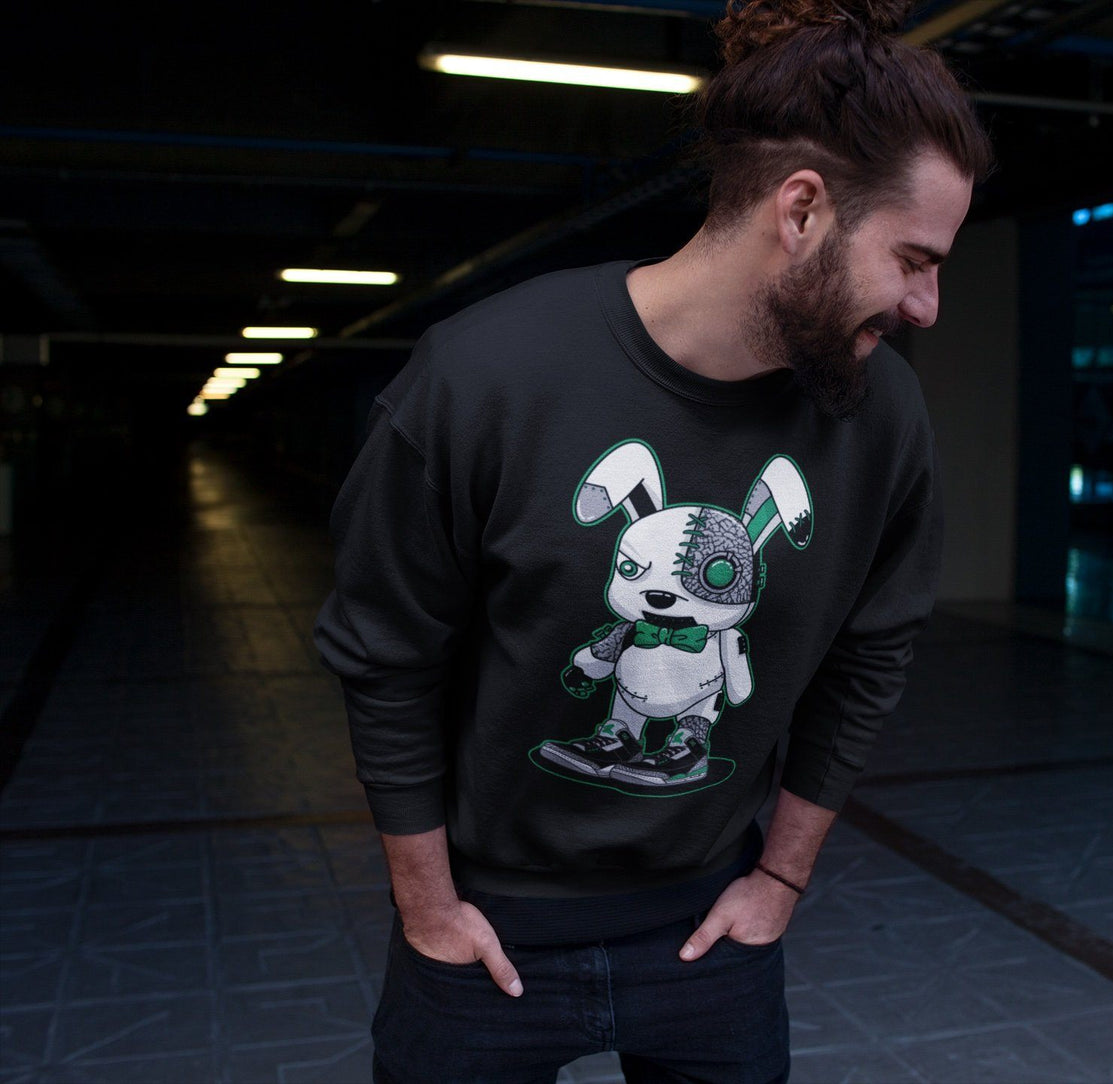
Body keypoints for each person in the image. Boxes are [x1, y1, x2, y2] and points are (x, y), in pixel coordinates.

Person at [313, 0, 993, 1079]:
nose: (927, 305)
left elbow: (868, 659)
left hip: (710, 933)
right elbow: (386, 657)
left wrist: (779, 881)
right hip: (482, 935)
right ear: (802, 209)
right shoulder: (486, 377)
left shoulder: (881, 418)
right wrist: (428, 907)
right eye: (913, 257)